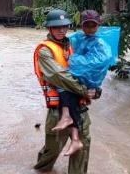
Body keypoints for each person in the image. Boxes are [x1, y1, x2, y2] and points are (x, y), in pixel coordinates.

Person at [33, 9, 99, 174]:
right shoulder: (44, 51)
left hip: (80, 109)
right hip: (58, 112)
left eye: (64, 26)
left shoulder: (73, 47)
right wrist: (84, 90)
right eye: (56, 27)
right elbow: (58, 76)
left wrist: (95, 90)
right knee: (51, 153)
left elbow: (88, 70)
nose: (61, 30)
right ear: (49, 28)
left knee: (81, 153)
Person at [51, 10, 113, 156]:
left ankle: (74, 137)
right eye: (87, 25)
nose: (90, 28)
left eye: (93, 25)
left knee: (79, 150)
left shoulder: (101, 44)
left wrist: (72, 58)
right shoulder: (76, 38)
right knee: (53, 148)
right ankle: (72, 135)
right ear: (81, 25)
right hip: (74, 85)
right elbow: (63, 49)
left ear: (99, 25)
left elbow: (95, 63)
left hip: (86, 83)